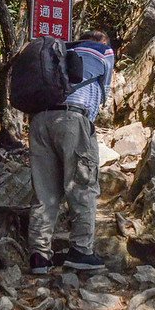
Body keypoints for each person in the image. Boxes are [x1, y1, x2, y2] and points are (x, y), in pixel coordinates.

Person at [28, 30, 115, 274]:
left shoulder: (62, 52)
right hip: (72, 118)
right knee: (83, 186)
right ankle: (81, 250)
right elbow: (104, 94)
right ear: (103, 41)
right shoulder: (102, 51)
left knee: (44, 192)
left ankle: (39, 256)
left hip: (39, 121)